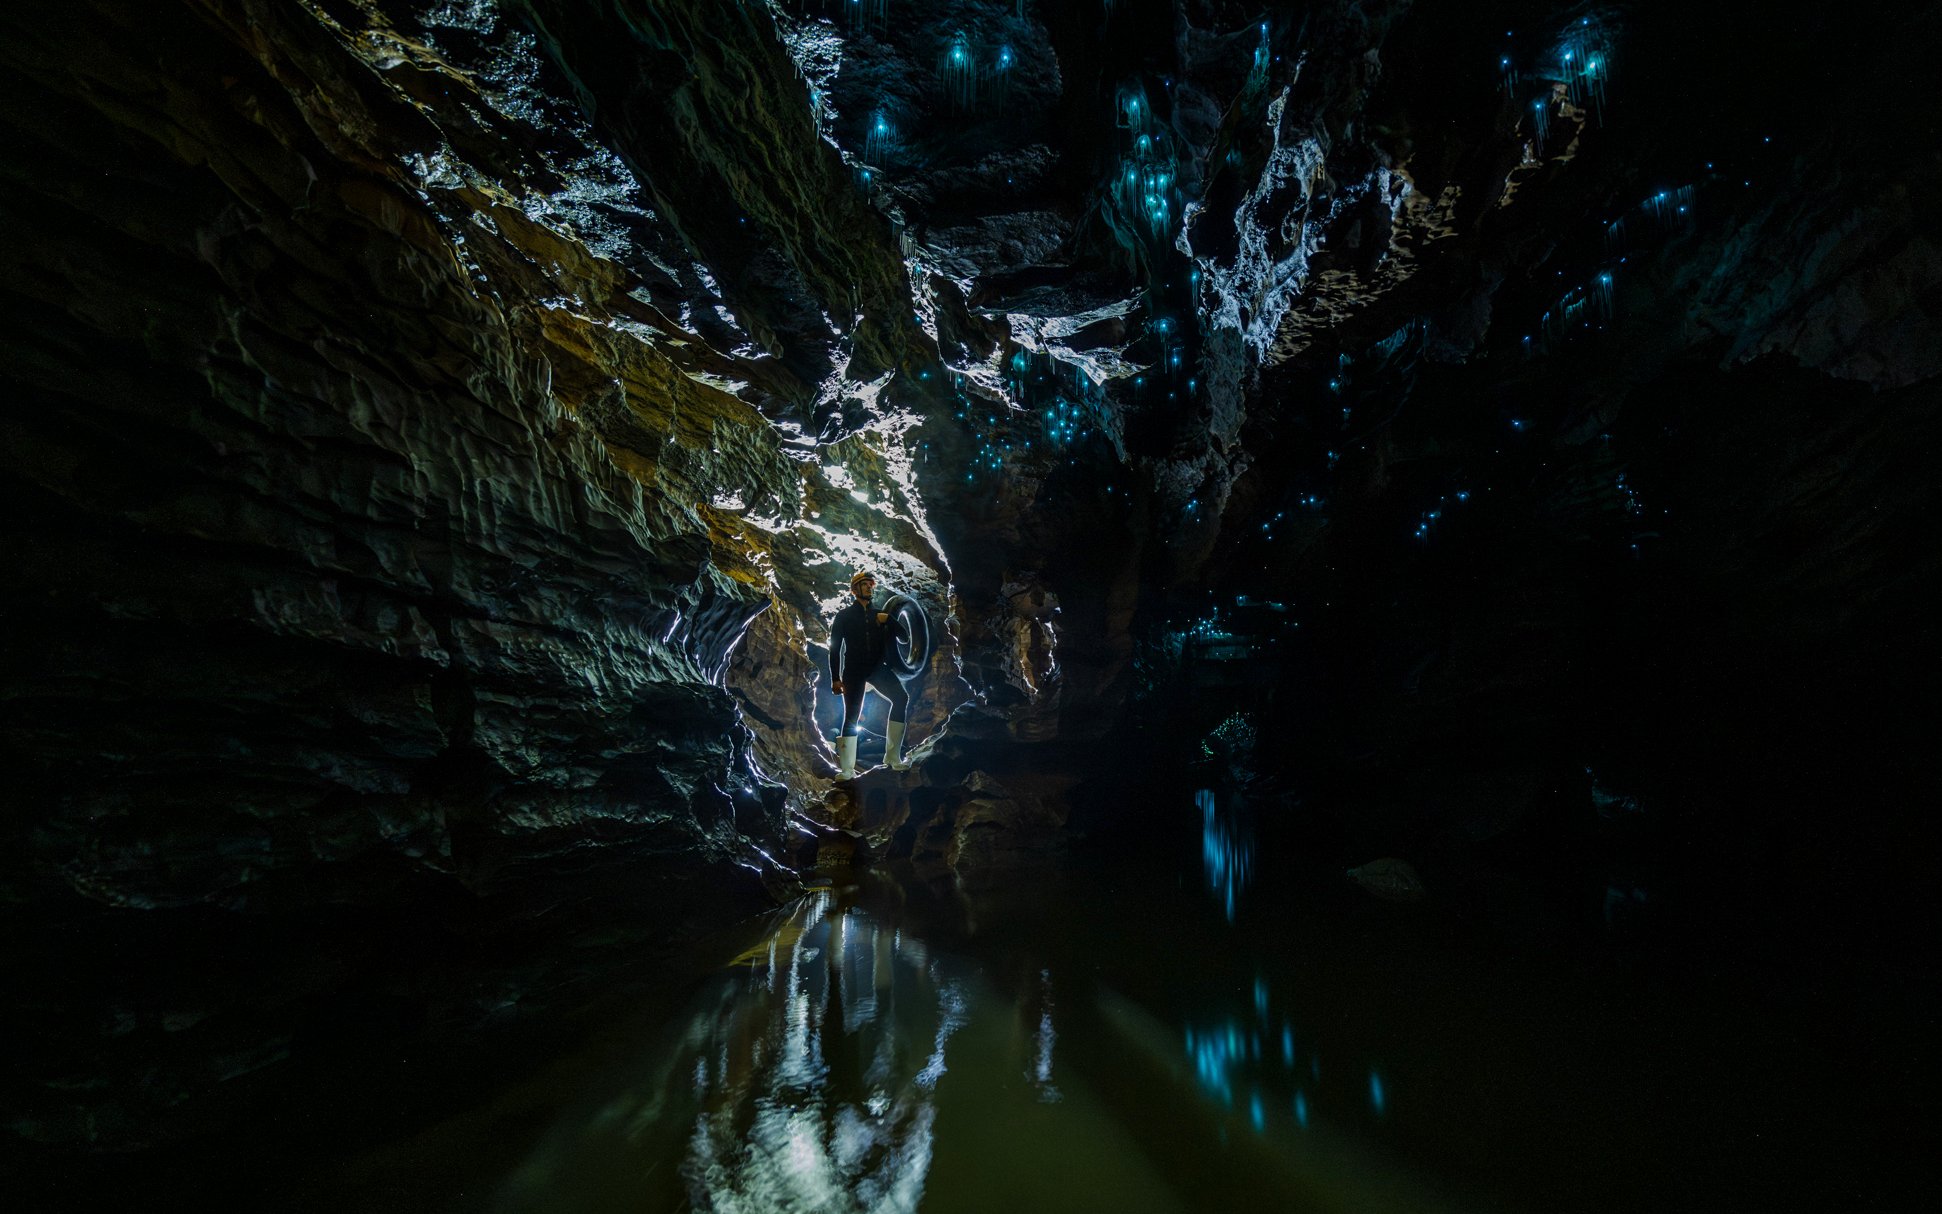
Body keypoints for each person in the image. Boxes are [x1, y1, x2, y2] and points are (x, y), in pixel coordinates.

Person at [828, 570, 911, 779]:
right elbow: (835, 649)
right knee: (852, 716)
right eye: (865, 584)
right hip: (854, 671)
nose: (869, 588)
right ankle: (847, 769)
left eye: (870, 585)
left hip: (877, 669)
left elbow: (904, 637)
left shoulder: (879, 615)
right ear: (855, 590)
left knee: (901, 698)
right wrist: (835, 679)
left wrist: (890, 620)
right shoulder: (844, 616)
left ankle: (893, 757)